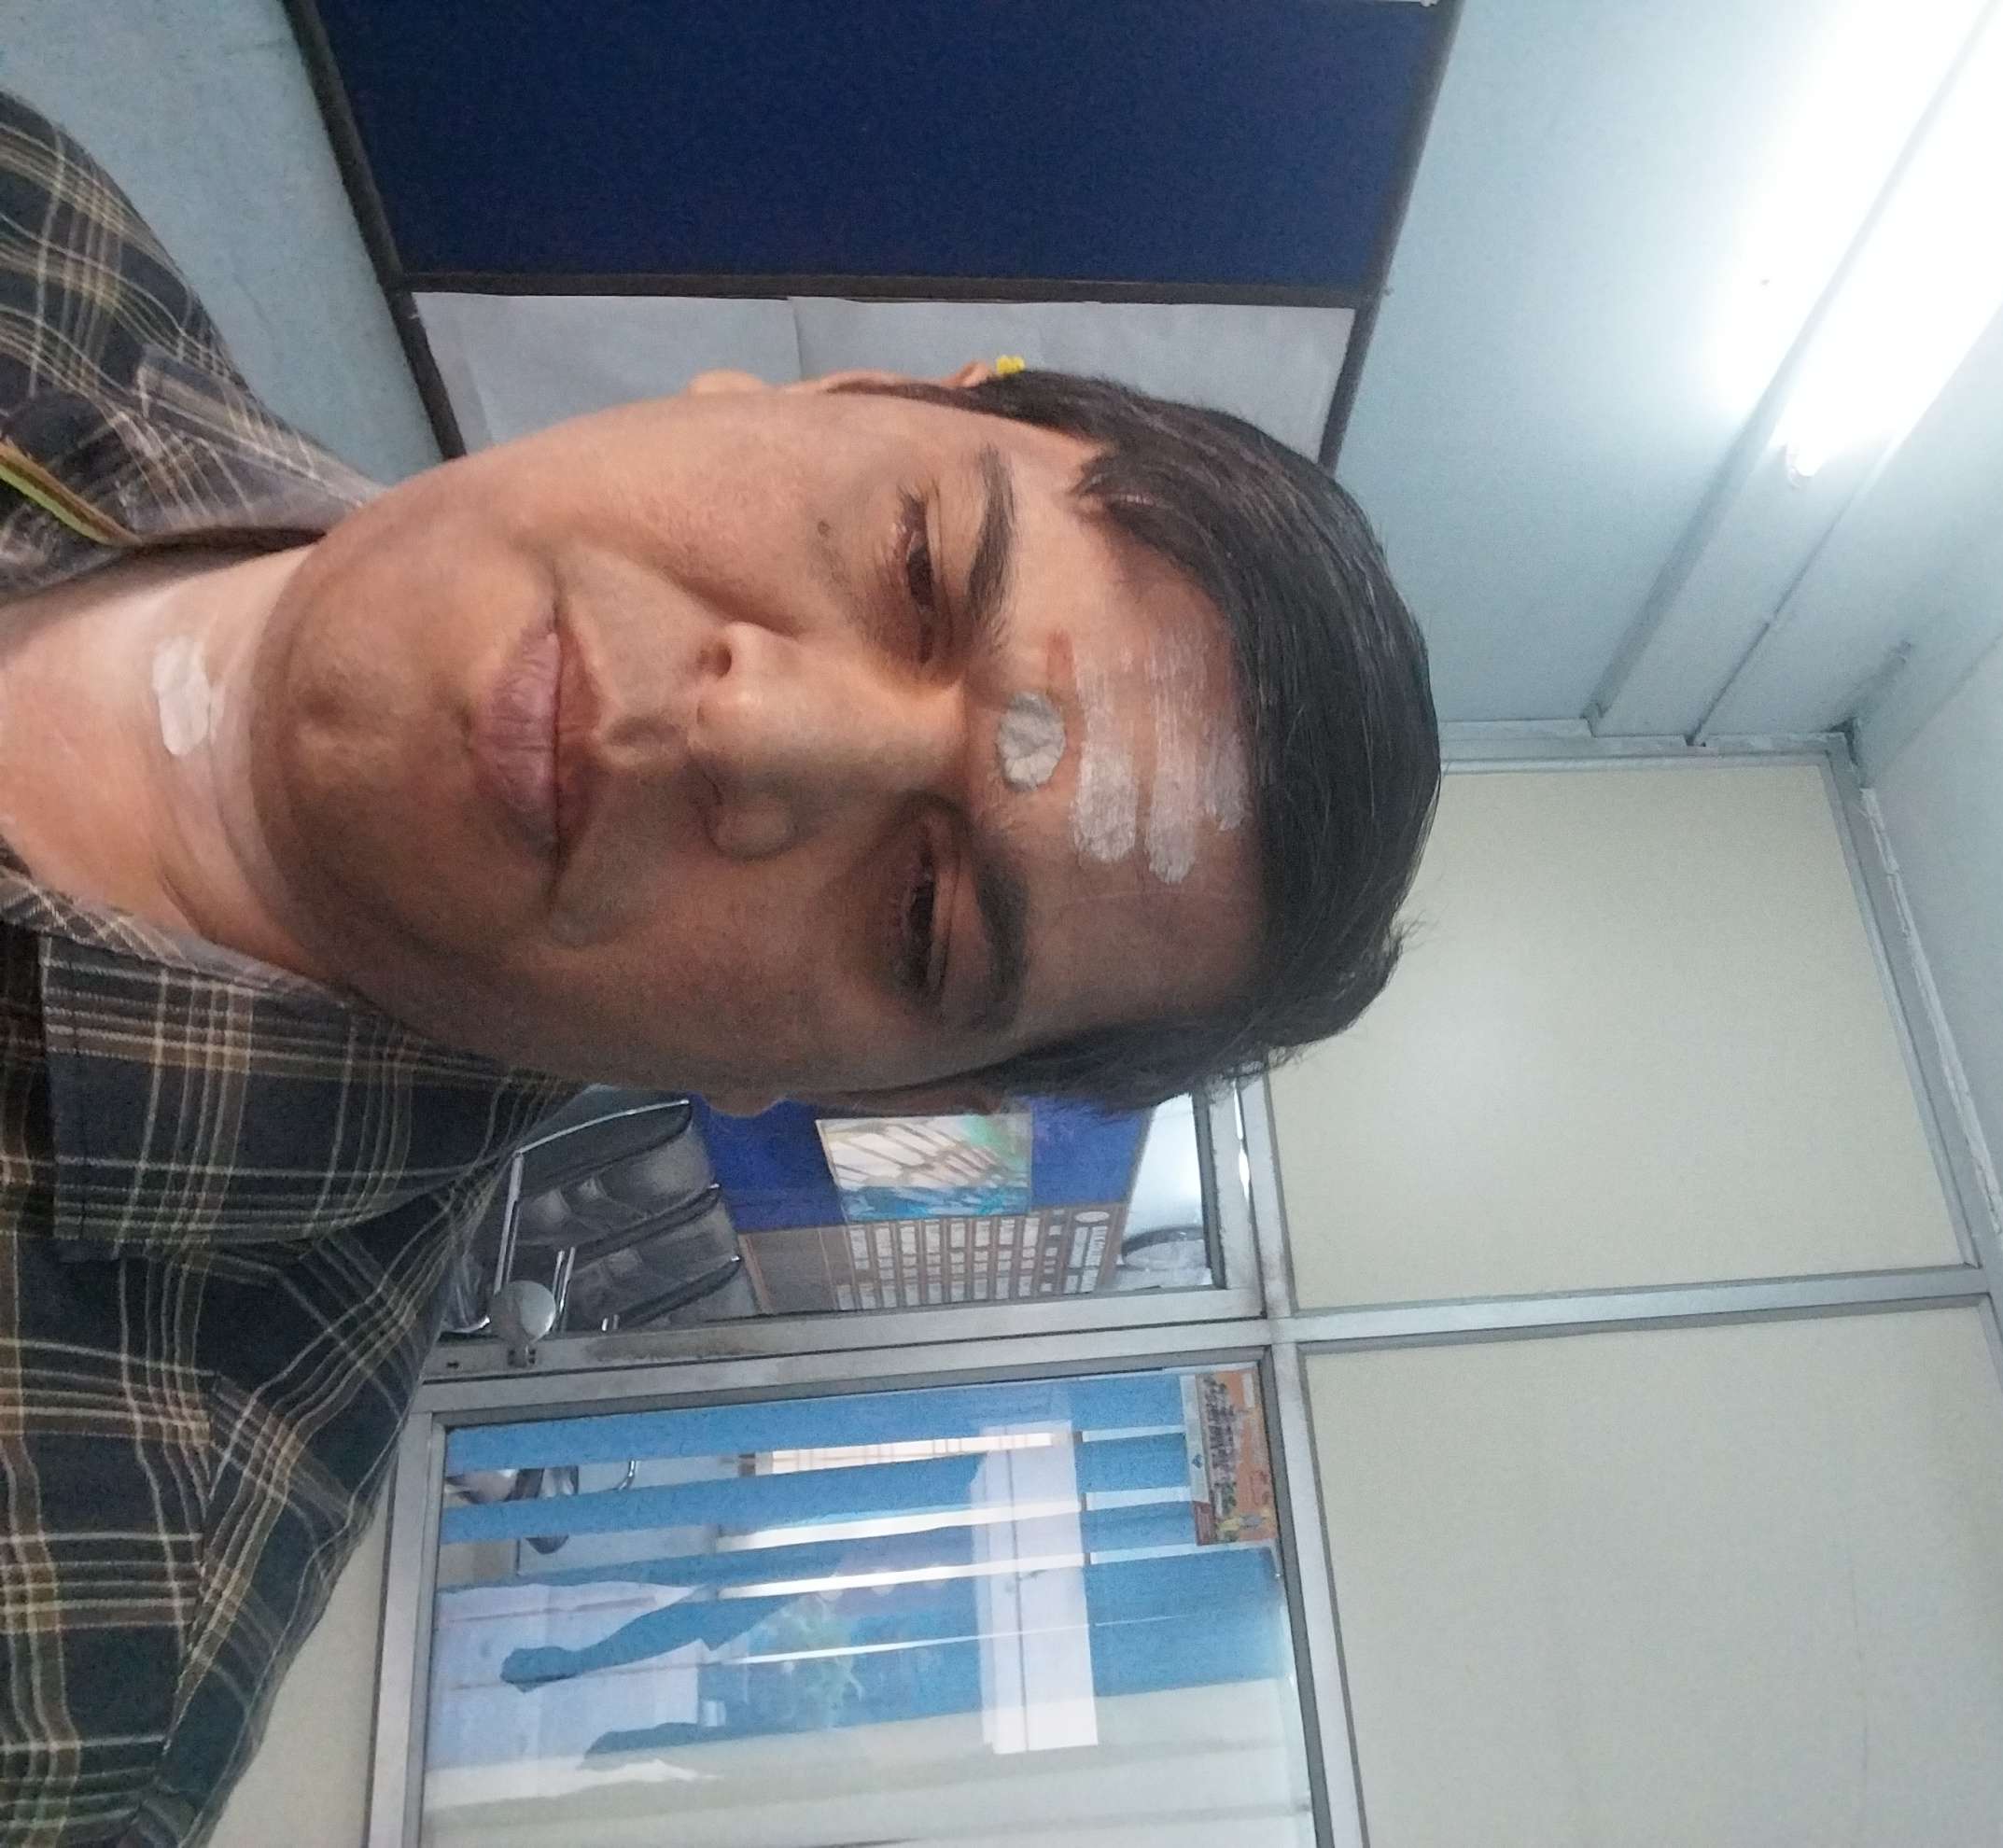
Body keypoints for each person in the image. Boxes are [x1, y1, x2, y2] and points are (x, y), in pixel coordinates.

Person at [0, 91, 1438, 1845]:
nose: (758, 732)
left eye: (922, 920)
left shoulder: (79, 1645)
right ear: (831, 395)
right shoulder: (44, 235)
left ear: (837, 1093)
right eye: (920, 566)